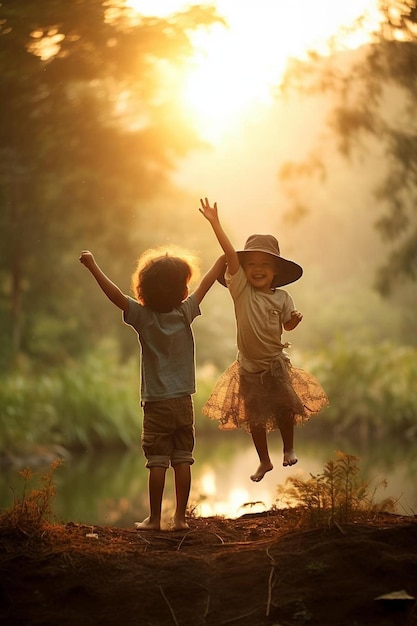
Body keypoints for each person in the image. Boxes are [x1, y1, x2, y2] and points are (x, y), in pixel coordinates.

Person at [79, 246, 226, 530]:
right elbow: (207, 283)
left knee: (157, 462)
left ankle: (155, 519)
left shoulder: (143, 317)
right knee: (183, 458)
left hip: (157, 404)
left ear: (143, 290)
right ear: (183, 292)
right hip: (184, 401)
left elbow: (117, 297)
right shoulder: (185, 312)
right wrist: (221, 260)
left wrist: (93, 266)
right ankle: (181, 518)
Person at [199, 197, 328, 482]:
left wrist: (293, 321)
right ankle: (264, 461)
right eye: (252, 263)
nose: (257, 268)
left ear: (276, 272)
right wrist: (216, 224)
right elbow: (231, 256)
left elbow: (287, 326)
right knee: (254, 417)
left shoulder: (282, 297)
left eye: (265, 265)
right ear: (242, 271)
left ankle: (289, 447)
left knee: (284, 407)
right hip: (248, 367)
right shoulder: (241, 291)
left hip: (274, 364)